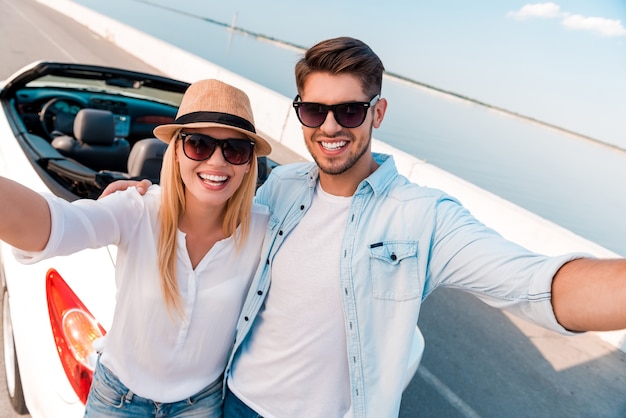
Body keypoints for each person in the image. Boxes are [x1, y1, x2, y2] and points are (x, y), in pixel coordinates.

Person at [104, 37, 626, 418]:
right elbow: (214, 216)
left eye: (349, 111)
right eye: (314, 110)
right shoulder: (281, 186)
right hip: (233, 402)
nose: (330, 127)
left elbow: (541, 286)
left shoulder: (422, 216)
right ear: (300, 114)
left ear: (378, 112)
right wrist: (147, 196)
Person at [1, 79, 272, 417]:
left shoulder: (264, 230)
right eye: (199, 145)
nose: (217, 162)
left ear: (249, 164)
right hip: (117, 401)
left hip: (200, 406)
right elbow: (55, 223)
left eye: (235, 149)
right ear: (174, 152)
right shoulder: (136, 209)